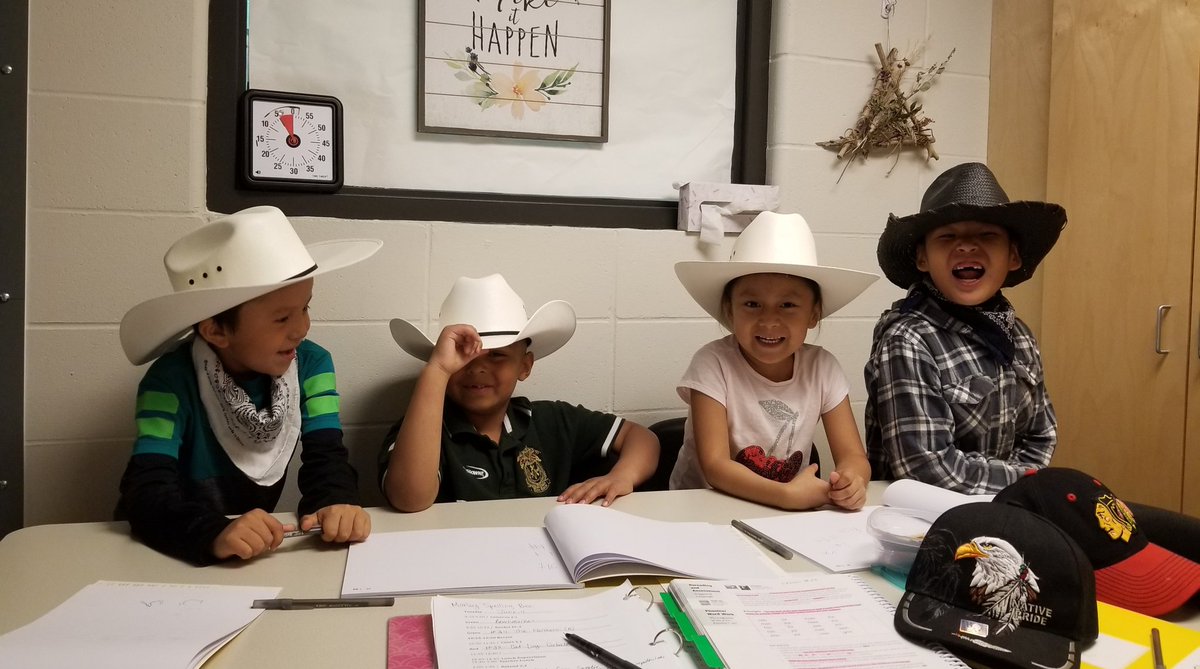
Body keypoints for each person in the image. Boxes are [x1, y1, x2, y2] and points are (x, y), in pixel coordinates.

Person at [115, 206, 380, 565]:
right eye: (282, 317)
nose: (302, 328)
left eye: (306, 307)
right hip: (171, 547)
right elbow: (146, 493)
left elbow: (326, 457)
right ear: (216, 330)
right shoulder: (169, 381)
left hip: (246, 557)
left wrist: (335, 503)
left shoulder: (312, 365)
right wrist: (212, 534)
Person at [864, 162, 1067, 494]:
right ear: (922, 259)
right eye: (947, 237)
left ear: (1013, 256)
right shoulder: (909, 340)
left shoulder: (1021, 338)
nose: (967, 246)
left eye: (987, 235)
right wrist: (1025, 484)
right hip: (920, 521)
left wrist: (1019, 492)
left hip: (1001, 511)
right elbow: (924, 467)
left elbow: (1041, 434)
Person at [379, 274, 659, 512]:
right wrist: (437, 371)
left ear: (524, 366)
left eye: (498, 356)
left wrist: (623, 476)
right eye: (463, 356)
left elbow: (641, 437)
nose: (478, 369)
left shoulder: (552, 420)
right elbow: (409, 499)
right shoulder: (421, 432)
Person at [669, 211, 878, 511]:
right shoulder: (712, 363)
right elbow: (715, 466)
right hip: (703, 510)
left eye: (788, 305)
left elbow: (853, 457)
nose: (769, 320)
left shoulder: (823, 368)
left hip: (782, 516)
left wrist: (853, 480)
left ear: (813, 314)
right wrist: (786, 496)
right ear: (730, 309)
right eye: (752, 304)